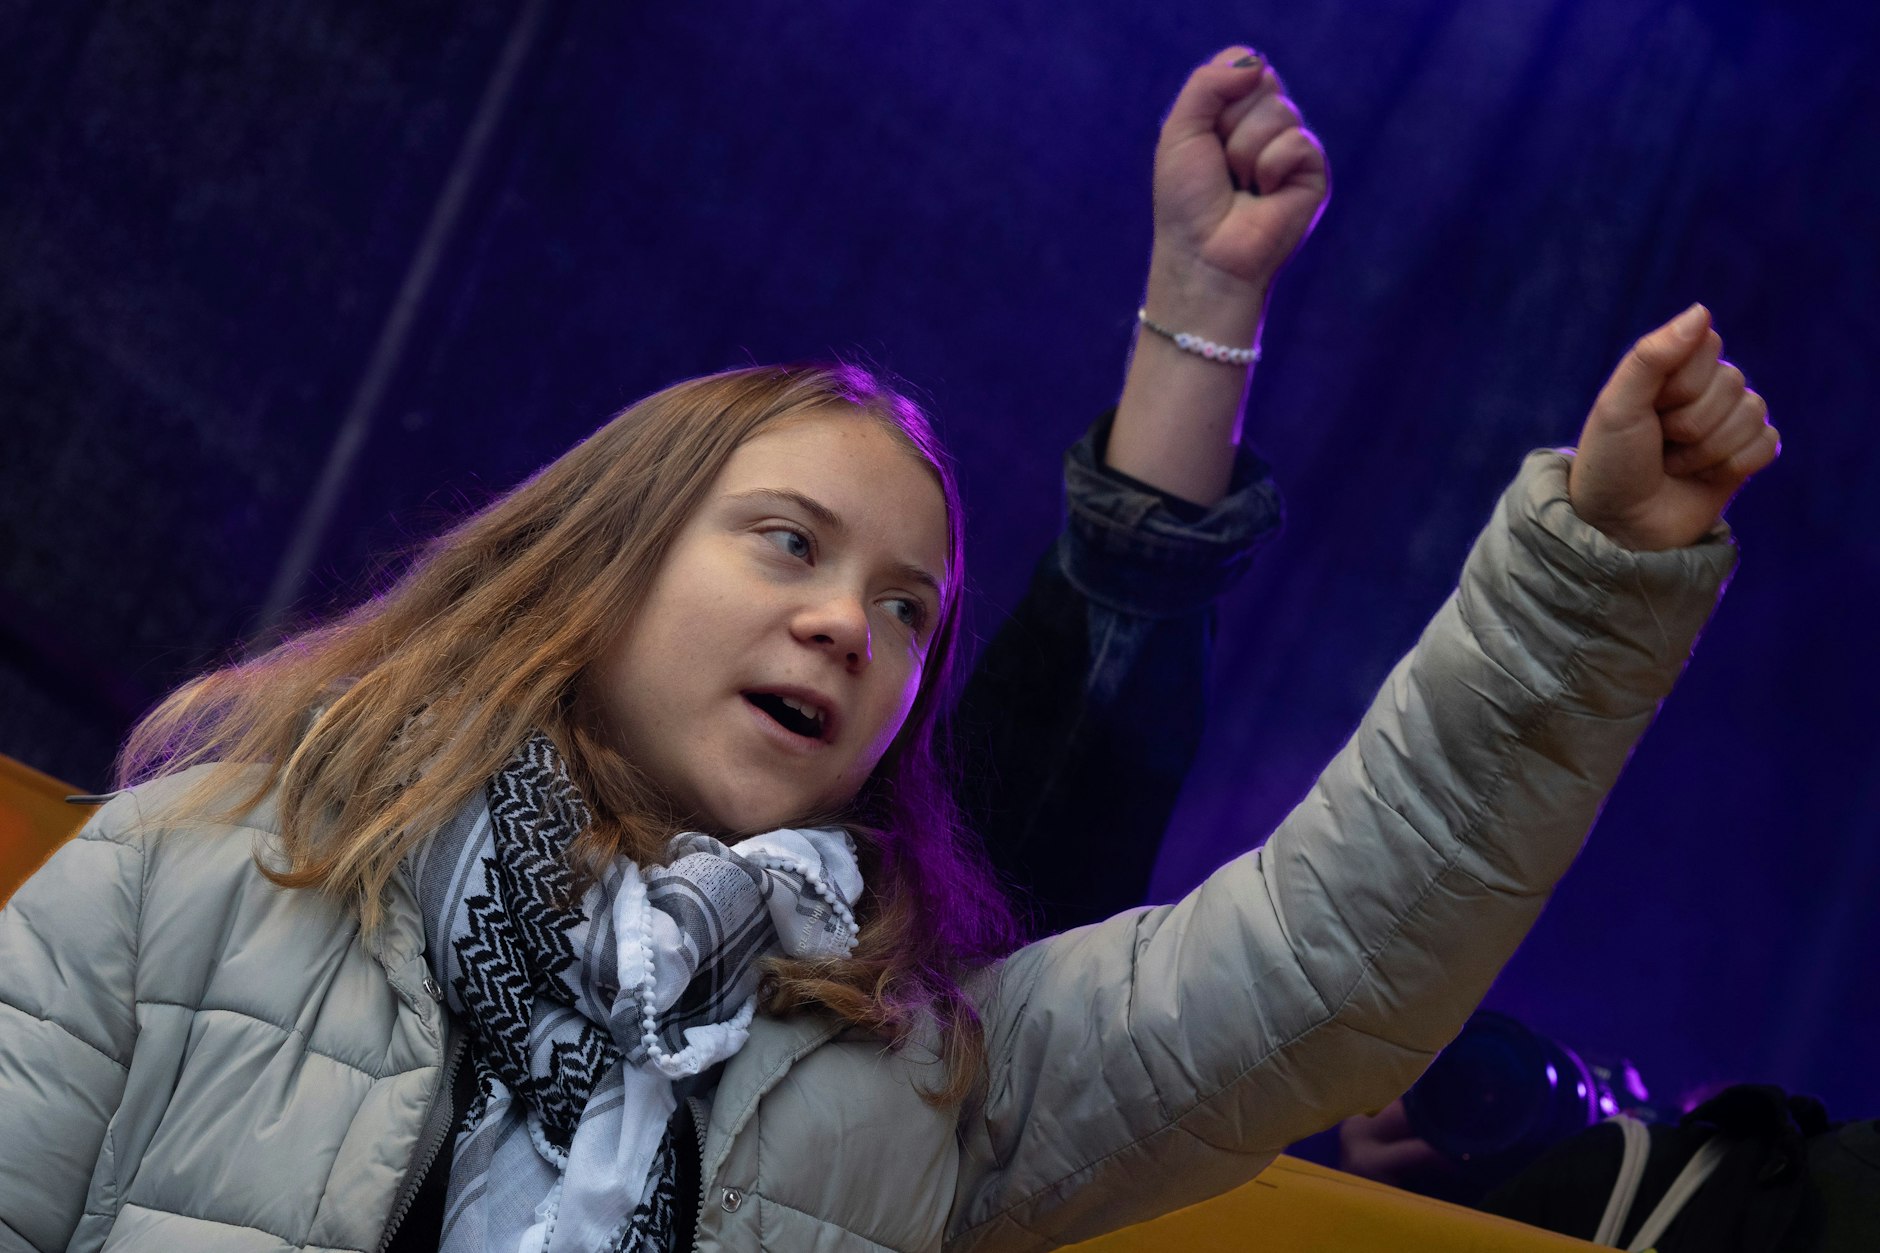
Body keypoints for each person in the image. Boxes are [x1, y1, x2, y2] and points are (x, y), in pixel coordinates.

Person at [0, 46, 1777, 1253]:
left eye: (913, 611)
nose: (856, 623)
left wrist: (1589, 576)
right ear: (600, 568)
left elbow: (1329, 951)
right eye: (789, 543)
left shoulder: (924, 1079)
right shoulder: (201, 872)